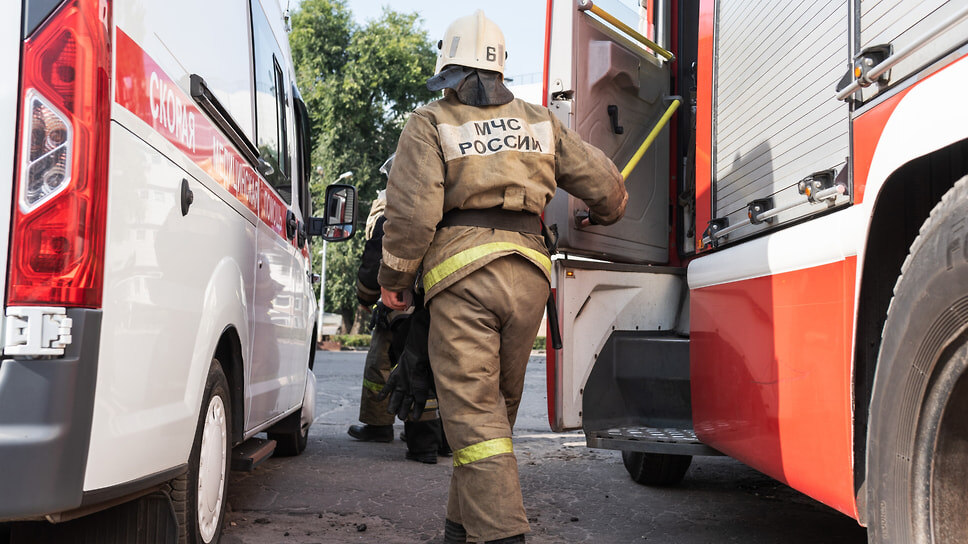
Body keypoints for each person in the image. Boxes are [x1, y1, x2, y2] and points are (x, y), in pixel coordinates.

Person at [377, 10, 628, 544]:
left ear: (447, 69)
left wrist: (395, 278)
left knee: (476, 424)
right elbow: (607, 187)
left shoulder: (430, 121)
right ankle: (458, 531)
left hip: (462, 276)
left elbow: (413, 213)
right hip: (529, 278)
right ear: (500, 69)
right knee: (490, 423)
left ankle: (502, 536)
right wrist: (602, 216)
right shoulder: (540, 121)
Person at [348, 155, 448, 463]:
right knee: (445, 372)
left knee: (405, 368)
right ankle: (444, 440)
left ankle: (420, 443)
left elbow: (372, 265)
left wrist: (365, 298)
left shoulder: (393, 213)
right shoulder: (449, 212)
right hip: (444, 304)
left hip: (403, 306)